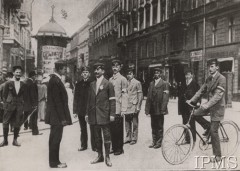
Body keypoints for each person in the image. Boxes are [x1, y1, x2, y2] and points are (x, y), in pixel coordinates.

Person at [187, 59, 226, 163]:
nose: (210, 68)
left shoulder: (222, 78)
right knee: (195, 114)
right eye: (209, 66)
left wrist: (206, 105)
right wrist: (192, 100)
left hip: (218, 108)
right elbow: (201, 91)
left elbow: (218, 96)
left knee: (214, 132)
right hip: (209, 106)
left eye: (212, 66)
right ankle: (207, 126)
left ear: (217, 67)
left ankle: (217, 156)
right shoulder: (209, 78)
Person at [86, 62, 116, 167]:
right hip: (94, 115)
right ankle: (100, 156)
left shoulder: (108, 84)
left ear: (103, 71)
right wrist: (87, 114)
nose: (96, 71)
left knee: (107, 137)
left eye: (98, 69)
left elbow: (112, 100)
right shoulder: (92, 84)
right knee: (97, 137)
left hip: (104, 115)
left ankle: (107, 157)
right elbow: (89, 101)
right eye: (95, 69)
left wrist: (112, 114)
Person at [45, 61, 72, 168]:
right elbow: (58, 102)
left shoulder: (54, 80)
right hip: (57, 116)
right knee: (56, 139)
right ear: (60, 68)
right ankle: (54, 163)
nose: (66, 70)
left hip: (55, 115)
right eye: (65, 69)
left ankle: (55, 161)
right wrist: (63, 118)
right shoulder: (55, 81)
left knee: (54, 139)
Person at [0, 66, 26, 147]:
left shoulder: (23, 84)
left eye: (19, 72)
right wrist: (6, 104)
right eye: (16, 72)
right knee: (5, 122)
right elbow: (4, 95)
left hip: (19, 106)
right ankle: (5, 140)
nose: (18, 74)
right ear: (14, 73)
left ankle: (15, 140)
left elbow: (24, 95)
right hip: (9, 106)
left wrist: (22, 104)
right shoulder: (8, 83)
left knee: (17, 123)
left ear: (21, 74)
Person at [145, 67, 169, 149]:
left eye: (158, 73)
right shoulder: (151, 83)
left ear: (161, 74)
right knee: (153, 126)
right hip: (152, 108)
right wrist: (147, 109)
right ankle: (154, 141)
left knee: (159, 126)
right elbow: (148, 97)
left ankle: (159, 142)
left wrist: (163, 109)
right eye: (155, 73)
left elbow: (166, 98)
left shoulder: (164, 83)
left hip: (159, 108)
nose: (156, 74)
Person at [73, 66, 96, 152]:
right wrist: (75, 111)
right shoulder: (78, 84)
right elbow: (76, 98)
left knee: (92, 128)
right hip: (81, 110)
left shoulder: (92, 84)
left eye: (87, 72)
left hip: (90, 109)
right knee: (83, 128)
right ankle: (84, 145)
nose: (85, 74)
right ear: (81, 74)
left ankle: (95, 146)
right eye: (83, 72)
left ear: (89, 74)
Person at [109, 59, 128, 155]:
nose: (115, 68)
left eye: (117, 66)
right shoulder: (110, 79)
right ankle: (114, 146)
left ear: (120, 67)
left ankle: (119, 148)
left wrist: (123, 109)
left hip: (118, 107)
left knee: (118, 129)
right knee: (112, 128)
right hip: (111, 108)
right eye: (113, 66)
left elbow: (124, 95)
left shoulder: (123, 79)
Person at [178, 68, 200, 142]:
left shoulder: (195, 84)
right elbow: (181, 95)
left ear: (192, 75)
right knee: (184, 122)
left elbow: (199, 94)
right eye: (186, 75)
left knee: (191, 123)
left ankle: (193, 139)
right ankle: (187, 138)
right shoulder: (184, 83)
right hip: (184, 107)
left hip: (191, 106)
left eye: (188, 74)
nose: (187, 76)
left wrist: (198, 102)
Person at [124, 68, 143, 145]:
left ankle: (134, 138)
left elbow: (140, 95)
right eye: (128, 74)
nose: (129, 75)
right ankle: (128, 137)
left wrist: (138, 106)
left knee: (134, 122)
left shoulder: (137, 83)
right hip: (126, 105)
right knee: (127, 122)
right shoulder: (125, 82)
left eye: (130, 74)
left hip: (134, 105)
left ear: (133, 75)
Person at [23, 71, 41, 135]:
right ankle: (35, 131)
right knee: (34, 117)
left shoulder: (25, 83)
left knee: (28, 116)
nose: (35, 77)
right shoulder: (32, 83)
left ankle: (29, 127)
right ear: (32, 76)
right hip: (32, 104)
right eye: (35, 76)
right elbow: (33, 95)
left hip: (26, 103)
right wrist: (35, 104)